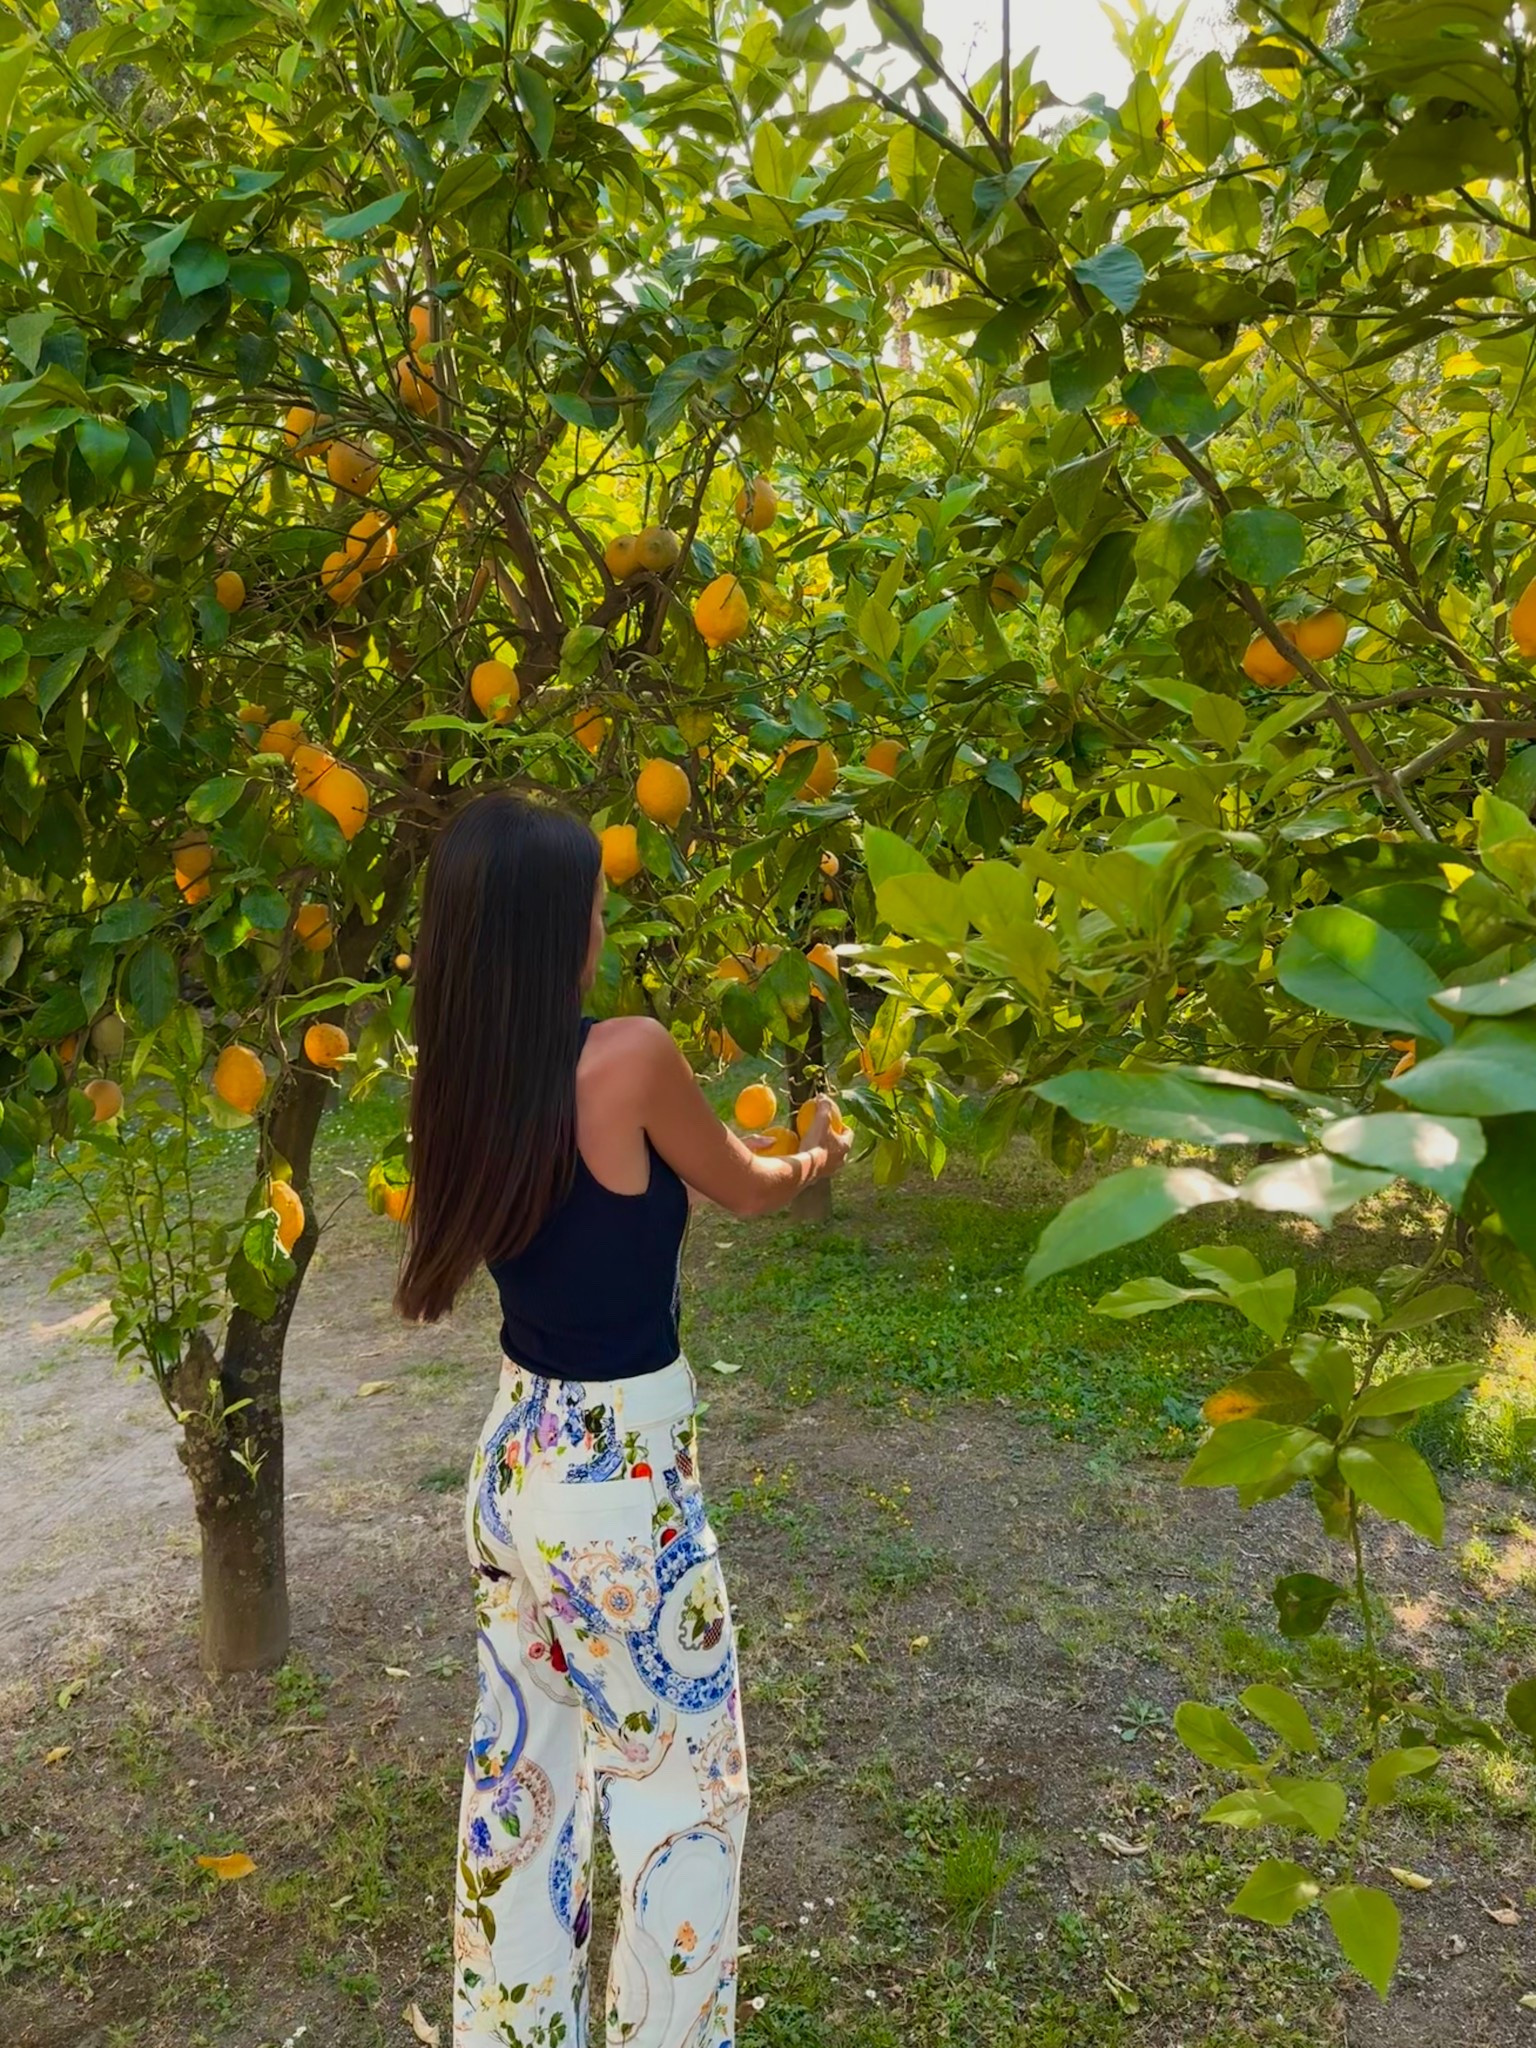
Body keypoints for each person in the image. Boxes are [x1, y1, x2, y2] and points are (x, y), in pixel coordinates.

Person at [395, 791, 851, 2048]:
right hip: (618, 1485)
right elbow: (750, 1189)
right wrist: (817, 1148)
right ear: (553, 930)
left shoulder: (466, 1071)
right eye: (594, 905)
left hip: (514, 1462)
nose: (605, 921)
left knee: (521, 1785)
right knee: (681, 1799)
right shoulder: (630, 1056)